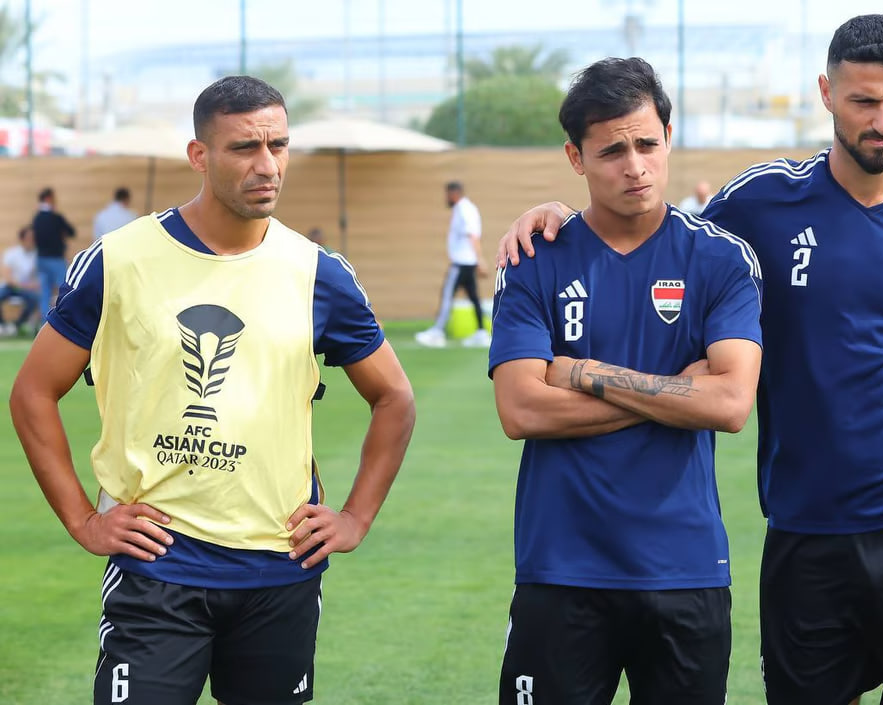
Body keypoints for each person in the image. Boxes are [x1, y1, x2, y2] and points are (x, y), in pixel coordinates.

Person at [496, 16, 883, 705]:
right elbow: (652, 223)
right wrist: (560, 214)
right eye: (864, 101)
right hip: (804, 529)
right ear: (827, 93)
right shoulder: (761, 203)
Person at [9, 75, 416, 705]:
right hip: (157, 569)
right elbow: (33, 391)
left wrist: (356, 516)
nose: (268, 165)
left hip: (281, 567)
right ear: (199, 155)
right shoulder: (118, 259)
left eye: (278, 146)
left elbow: (394, 397)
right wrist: (84, 521)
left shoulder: (318, 273)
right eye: (244, 148)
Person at [489, 57, 763, 705]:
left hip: (686, 570)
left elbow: (728, 402)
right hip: (561, 570)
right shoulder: (533, 259)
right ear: (576, 157)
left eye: (646, 143)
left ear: (669, 136)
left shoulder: (721, 259)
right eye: (611, 150)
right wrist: (674, 391)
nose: (634, 165)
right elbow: (522, 409)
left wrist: (583, 372)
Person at [414, 181, 491, 348]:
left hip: (462, 263)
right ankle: (481, 332)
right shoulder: (463, 209)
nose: (446, 198)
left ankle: (437, 331)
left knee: (447, 295)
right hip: (467, 262)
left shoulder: (464, 210)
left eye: (447, 194)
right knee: (474, 297)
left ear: (454, 193)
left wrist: (480, 260)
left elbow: (473, 236)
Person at [30, 186, 76, 324]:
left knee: (45, 293)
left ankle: (45, 324)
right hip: (55, 258)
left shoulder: (36, 218)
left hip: (41, 259)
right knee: (67, 290)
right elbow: (71, 232)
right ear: (49, 198)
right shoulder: (56, 218)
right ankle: (68, 322)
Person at [0, 225, 40, 335]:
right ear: (22, 239)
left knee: (34, 299)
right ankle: (2, 325)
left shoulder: (38, 255)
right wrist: (23, 285)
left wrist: (31, 286)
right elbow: (8, 277)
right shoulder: (11, 253)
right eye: (28, 238)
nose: (31, 241)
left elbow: (40, 278)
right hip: (11, 286)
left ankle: (17, 324)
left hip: (27, 289)